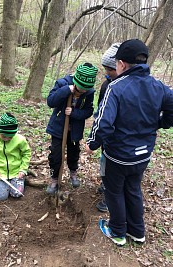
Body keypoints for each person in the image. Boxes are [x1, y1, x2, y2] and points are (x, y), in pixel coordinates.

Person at [85, 39, 173, 246]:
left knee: (114, 191)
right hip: (143, 155)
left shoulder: (115, 87)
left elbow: (103, 123)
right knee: (133, 189)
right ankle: (137, 232)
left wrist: (92, 143)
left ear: (122, 64)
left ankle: (117, 232)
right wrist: (160, 123)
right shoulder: (159, 86)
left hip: (117, 155)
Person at [46, 62, 98, 195]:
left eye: (86, 90)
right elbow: (51, 101)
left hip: (75, 129)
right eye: (81, 89)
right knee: (56, 154)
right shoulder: (62, 84)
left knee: (74, 152)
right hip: (58, 127)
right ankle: (54, 178)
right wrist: (66, 91)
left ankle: (73, 171)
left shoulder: (89, 92)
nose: (83, 92)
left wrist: (74, 113)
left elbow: (89, 111)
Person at [96, 43, 121, 212]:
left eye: (109, 70)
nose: (106, 73)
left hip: (118, 137)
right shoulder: (107, 84)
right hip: (106, 135)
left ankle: (110, 197)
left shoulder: (122, 88)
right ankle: (106, 186)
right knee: (104, 162)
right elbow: (101, 109)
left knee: (114, 169)